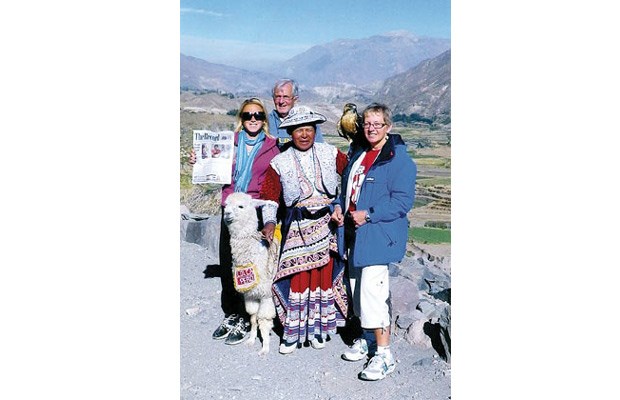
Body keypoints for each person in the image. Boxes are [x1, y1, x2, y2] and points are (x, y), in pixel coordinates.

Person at [331, 103, 417, 381]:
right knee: (357, 291)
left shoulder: (398, 159)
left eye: (377, 124)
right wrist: (337, 205)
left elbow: (403, 201)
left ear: (388, 127)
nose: (371, 128)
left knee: (372, 294)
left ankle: (384, 354)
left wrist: (369, 214)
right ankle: (368, 341)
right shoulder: (359, 152)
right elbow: (345, 189)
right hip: (354, 234)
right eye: (367, 123)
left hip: (378, 235)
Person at [189, 98, 280, 346]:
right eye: (249, 115)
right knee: (229, 261)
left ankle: (245, 316)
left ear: (264, 119)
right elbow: (212, 166)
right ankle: (232, 313)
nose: (253, 119)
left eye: (258, 115)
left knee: (250, 265)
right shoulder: (229, 142)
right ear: (242, 117)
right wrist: (199, 161)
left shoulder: (273, 147)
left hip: (253, 211)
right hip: (230, 209)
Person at [259, 105, 348, 354]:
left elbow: (351, 177)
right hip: (297, 226)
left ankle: (318, 329)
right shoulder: (280, 162)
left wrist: (340, 205)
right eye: (299, 130)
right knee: (297, 277)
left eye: (309, 129)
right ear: (291, 132)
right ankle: (292, 333)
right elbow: (269, 197)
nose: (305, 135)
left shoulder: (331, 153)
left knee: (322, 277)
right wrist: (268, 221)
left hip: (326, 226)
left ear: (315, 130)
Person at [268, 78, 324, 149]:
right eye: (278, 97)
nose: (281, 101)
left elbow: (319, 148)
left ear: (295, 99)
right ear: (273, 99)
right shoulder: (265, 122)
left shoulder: (309, 121)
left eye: (286, 97)